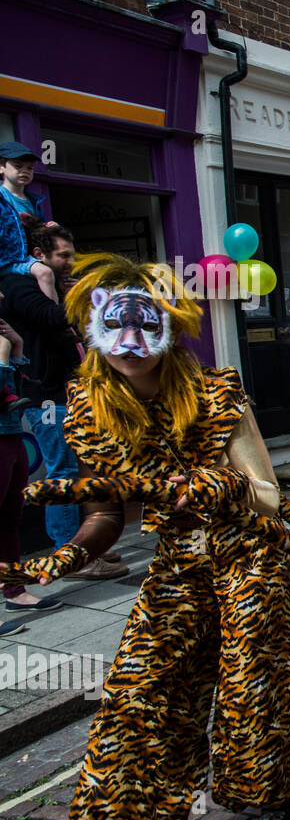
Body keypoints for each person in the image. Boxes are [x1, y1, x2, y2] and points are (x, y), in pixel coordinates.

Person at [2, 253, 290, 820]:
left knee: (251, 688)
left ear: (170, 324)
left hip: (250, 555)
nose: (130, 343)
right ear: (91, 327)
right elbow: (108, 511)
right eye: (115, 327)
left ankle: (273, 800)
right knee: (140, 690)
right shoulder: (90, 408)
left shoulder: (215, 391)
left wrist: (218, 484)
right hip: (181, 563)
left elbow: (267, 496)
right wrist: (61, 560)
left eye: (145, 326)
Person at [0, 230, 129, 581]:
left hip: (65, 392)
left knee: (80, 468)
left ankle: (84, 544)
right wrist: (80, 293)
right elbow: (53, 318)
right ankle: (69, 554)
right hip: (45, 394)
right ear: (39, 254)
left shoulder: (49, 285)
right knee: (63, 472)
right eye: (64, 256)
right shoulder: (17, 285)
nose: (70, 263)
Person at [0, 315, 59, 628]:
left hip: (10, 436)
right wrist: (2, 356)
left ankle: (14, 591)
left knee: (10, 520)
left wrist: (18, 346)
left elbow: (19, 391)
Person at [0, 141, 57, 302]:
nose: (24, 171)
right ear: (1, 167)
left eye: (29, 168)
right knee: (44, 273)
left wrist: (50, 229)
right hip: (9, 260)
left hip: (32, 256)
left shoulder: (33, 201)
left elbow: (38, 233)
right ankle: (52, 316)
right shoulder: (1, 198)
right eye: (18, 166)